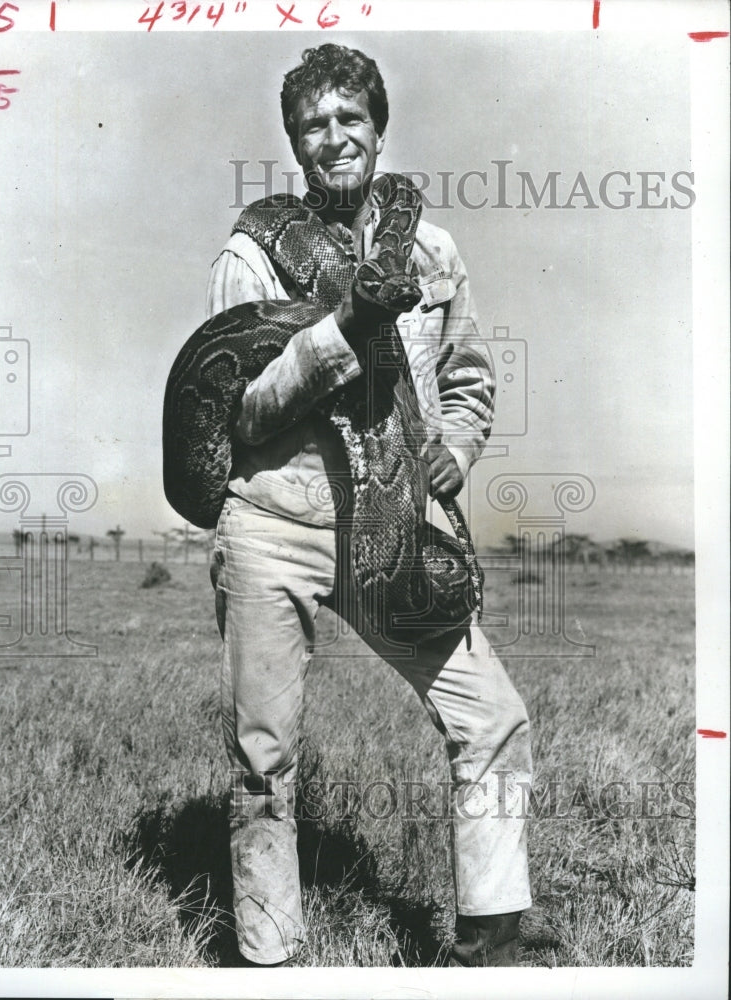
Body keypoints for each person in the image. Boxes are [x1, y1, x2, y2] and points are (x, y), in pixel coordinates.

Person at [206, 42, 532, 967]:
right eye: (315, 125)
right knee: (264, 760)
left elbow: (468, 378)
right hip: (274, 518)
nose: (334, 137)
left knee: (492, 713)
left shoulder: (431, 250)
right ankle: (272, 961)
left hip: (392, 525)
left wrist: (456, 455)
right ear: (295, 145)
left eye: (351, 119)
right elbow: (245, 411)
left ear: (379, 132)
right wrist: (343, 329)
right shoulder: (251, 254)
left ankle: (494, 932)